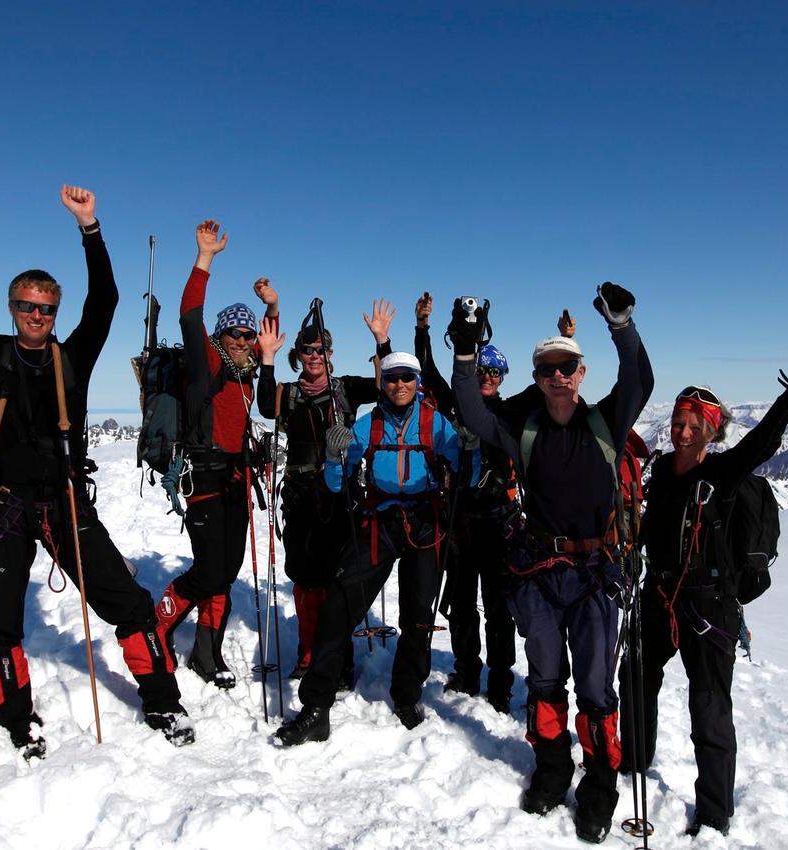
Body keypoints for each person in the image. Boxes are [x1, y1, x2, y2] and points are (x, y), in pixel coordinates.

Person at [0, 181, 192, 751]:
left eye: (47, 308)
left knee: (128, 604)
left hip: (62, 502)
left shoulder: (72, 358)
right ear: (13, 309)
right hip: (6, 505)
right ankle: (17, 721)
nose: (38, 315)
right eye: (28, 306)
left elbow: (104, 301)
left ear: (55, 313)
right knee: (0, 621)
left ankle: (163, 703)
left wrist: (91, 229)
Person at [451, 283, 654, 844]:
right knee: (545, 680)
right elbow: (471, 408)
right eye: (548, 370)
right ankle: (552, 768)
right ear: (537, 379)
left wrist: (622, 325)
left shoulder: (605, 423)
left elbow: (640, 379)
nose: (559, 377)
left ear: (580, 373)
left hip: (593, 577)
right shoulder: (525, 430)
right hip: (539, 573)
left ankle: (599, 784)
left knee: (594, 686)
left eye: (568, 368)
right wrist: (465, 352)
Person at [637, 341, 788, 838]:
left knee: (708, 706)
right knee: (636, 678)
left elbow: (765, 440)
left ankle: (714, 814)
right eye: (679, 422)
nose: (683, 432)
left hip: (709, 605)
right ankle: (633, 764)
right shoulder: (660, 471)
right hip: (659, 596)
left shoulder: (720, 475)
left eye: (694, 425)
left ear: (710, 432)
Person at [273, 352, 469, 745]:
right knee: (339, 607)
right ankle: (316, 707)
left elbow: (464, 471)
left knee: (417, 615)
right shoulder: (367, 425)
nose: (398, 385)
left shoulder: (436, 424)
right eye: (392, 378)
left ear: (417, 382)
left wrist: (471, 451)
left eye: (406, 378)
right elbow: (336, 481)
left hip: (425, 525)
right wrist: (333, 456)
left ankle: (407, 695)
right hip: (379, 522)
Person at [151, 220, 276, 690]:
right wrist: (204, 259)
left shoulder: (247, 376)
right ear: (221, 338)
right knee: (211, 569)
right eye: (235, 334)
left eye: (248, 335)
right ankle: (158, 621)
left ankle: (207, 653)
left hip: (237, 481)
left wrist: (272, 307)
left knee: (226, 570)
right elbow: (189, 314)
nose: (244, 340)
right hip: (204, 477)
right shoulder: (206, 364)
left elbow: (269, 339)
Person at [255, 295, 395, 683]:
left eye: (321, 349)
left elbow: (388, 388)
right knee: (305, 575)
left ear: (330, 353)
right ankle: (309, 651)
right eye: (307, 350)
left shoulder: (345, 389)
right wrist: (266, 358)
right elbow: (266, 406)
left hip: (342, 493)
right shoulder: (287, 393)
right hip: (301, 493)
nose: (314, 356)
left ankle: (337, 656)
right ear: (298, 354)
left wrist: (382, 342)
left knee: (339, 576)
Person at [410, 292, 519, 713]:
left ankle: (501, 682)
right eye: (484, 369)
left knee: (497, 607)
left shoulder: (509, 414)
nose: (488, 376)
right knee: (460, 602)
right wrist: (422, 328)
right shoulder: (456, 402)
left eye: (495, 371)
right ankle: (468, 671)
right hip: (459, 518)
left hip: (495, 520)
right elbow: (431, 371)